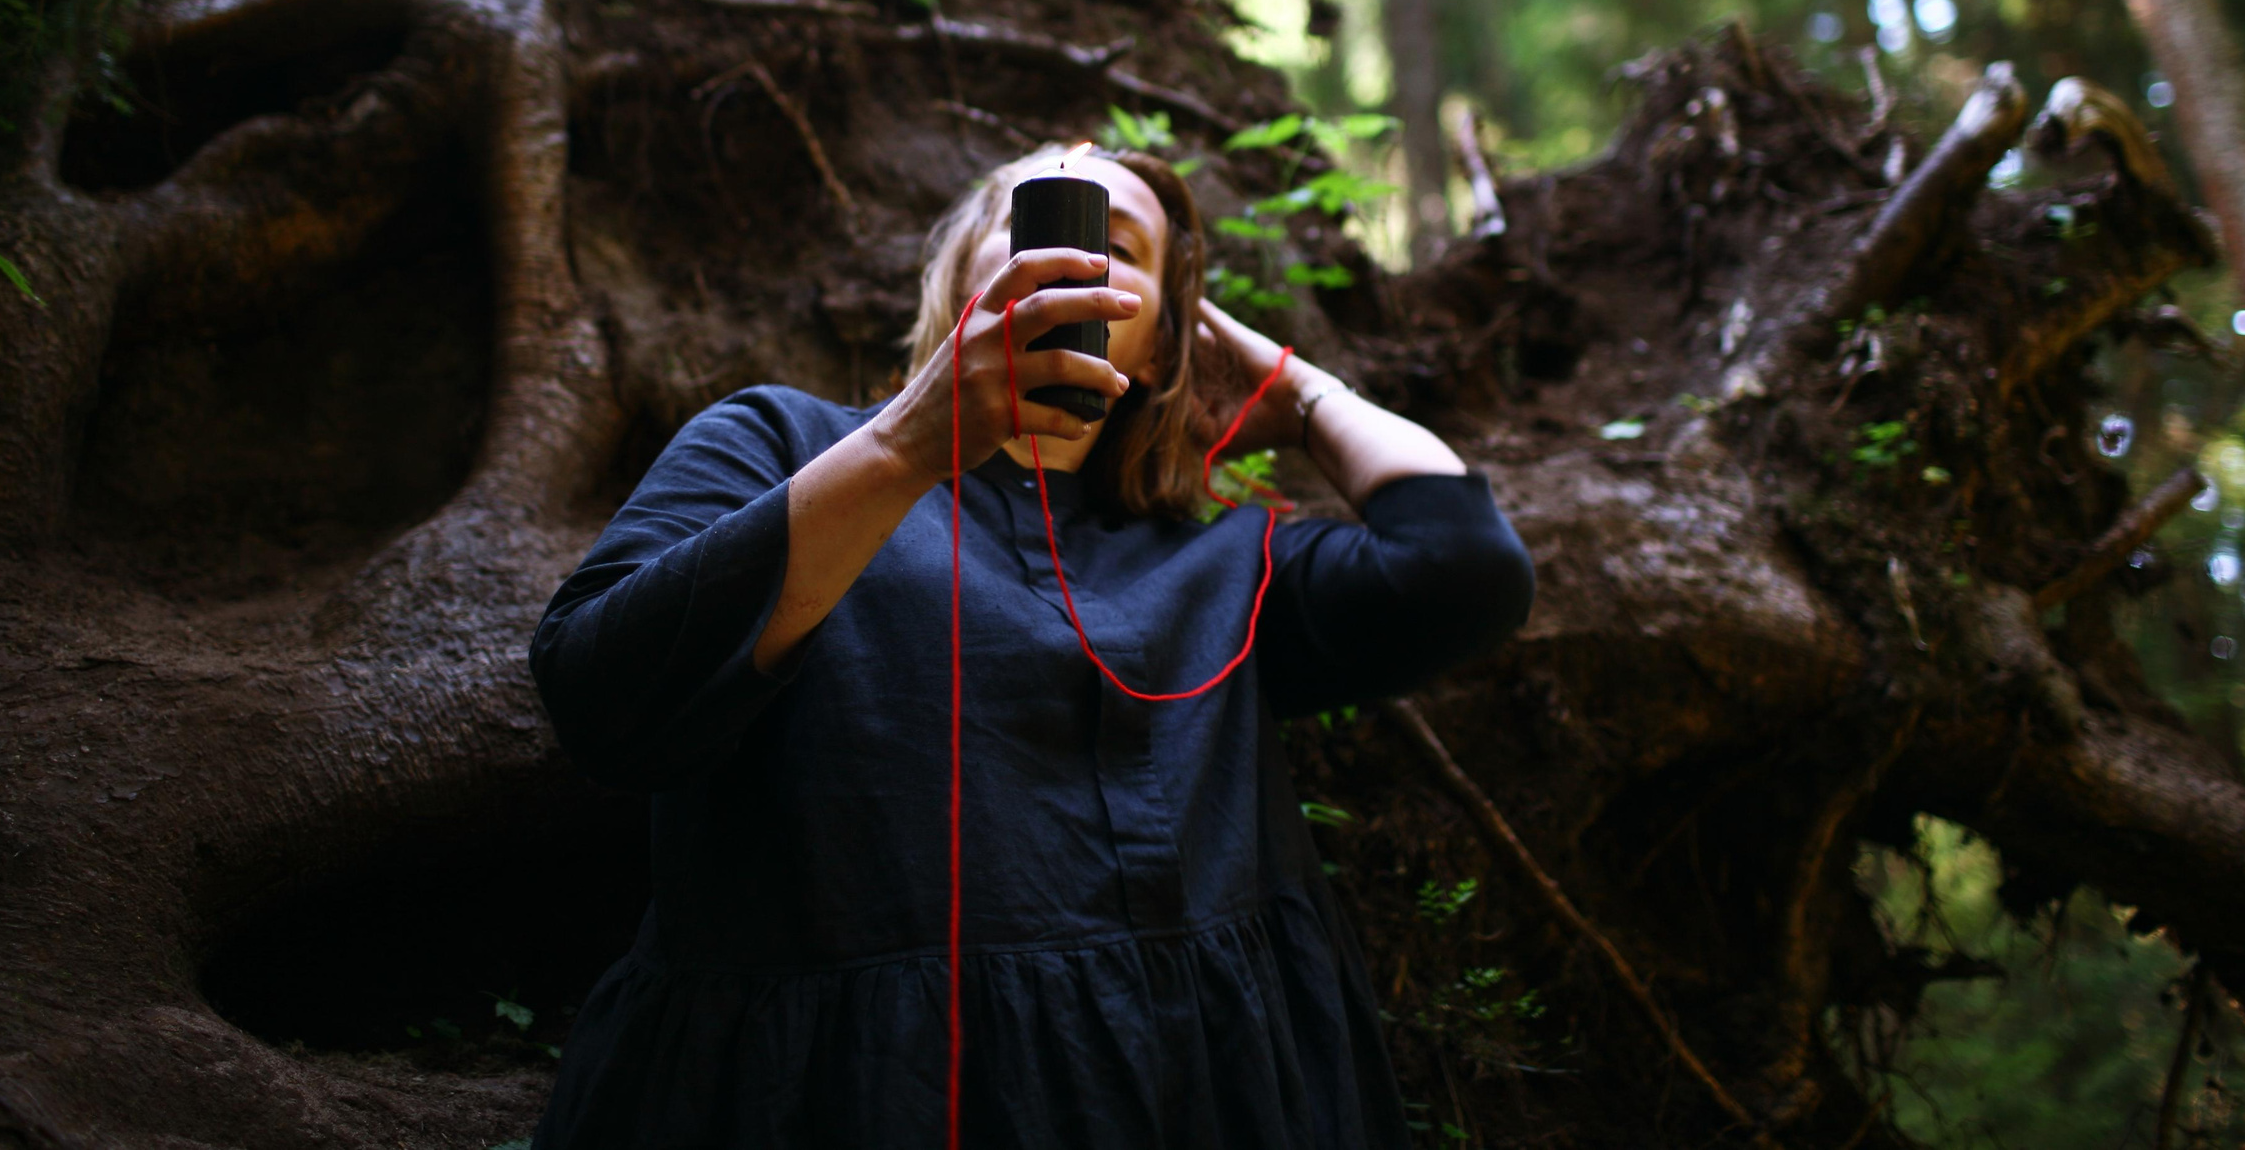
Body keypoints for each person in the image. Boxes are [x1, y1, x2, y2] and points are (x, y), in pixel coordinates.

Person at [528, 144, 1533, 1150]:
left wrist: (1297, 394)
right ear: (965, 279)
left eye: (1120, 247)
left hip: (1209, 1093)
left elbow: (1465, 568)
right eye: (1035, 224)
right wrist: (907, 446)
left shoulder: (1225, 563)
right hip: (847, 1095)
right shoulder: (774, 443)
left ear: (1158, 345)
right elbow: (602, 699)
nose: (1077, 262)